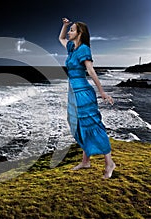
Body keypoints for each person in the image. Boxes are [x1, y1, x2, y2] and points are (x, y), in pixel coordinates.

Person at [58, 17, 116, 179]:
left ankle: (109, 163)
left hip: (83, 92)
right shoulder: (71, 48)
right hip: (73, 92)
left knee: (92, 125)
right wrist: (64, 25)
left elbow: (90, 71)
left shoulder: (84, 49)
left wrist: (102, 92)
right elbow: (61, 38)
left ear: (80, 33)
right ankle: (86, 161)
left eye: (72, 30)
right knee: (76, 123)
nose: (69, 32)